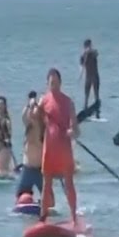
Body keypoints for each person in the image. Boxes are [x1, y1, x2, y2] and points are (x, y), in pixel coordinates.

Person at [39, 68, 80, 226]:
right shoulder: (43, 101)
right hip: (49, 149)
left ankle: (74, 217)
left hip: (64, 149)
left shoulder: (68, 102)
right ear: (47, 83)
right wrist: (31, 108)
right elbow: (32, 121)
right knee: (46, 184)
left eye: (56, 82)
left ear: (60, 83)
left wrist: (72, 132)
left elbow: (76, 130)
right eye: (51, 83)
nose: (53, 85)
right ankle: (43, 218)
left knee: (69, 183)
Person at [16, 90, 45, 201]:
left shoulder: (44, 127)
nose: (33, 112)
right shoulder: (29, 125)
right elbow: (23, 116)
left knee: (49, 199)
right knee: (20, 196)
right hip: (27, 168)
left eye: (35, 109)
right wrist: (29, 104)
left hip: (40, 170)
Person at [78, 38, 101, 119]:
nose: (91, 46)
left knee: (96, 94)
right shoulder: (83, 56)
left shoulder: (93, 52)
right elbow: (81, 65)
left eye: (91, 45)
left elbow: (96, 53)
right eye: (90, 45)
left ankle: (98, 113)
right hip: (88, 77)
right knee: (86, 95)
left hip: (95, 76)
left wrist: (90, 51)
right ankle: (85, 111)